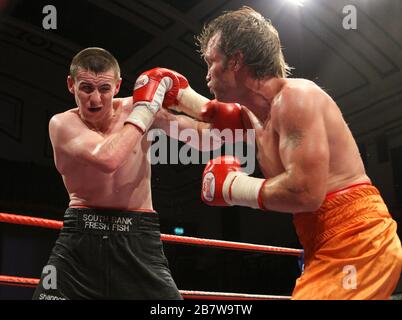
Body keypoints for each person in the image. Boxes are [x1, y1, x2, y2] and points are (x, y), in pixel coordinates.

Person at [167, 7, 402, 299]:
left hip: (359, 238)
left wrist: (232, 186)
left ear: (236, 61)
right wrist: (163, 108)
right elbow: (206, 131)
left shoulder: (296, 98)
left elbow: (305, 192)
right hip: (319, 241)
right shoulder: (252, 115)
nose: (207, 75)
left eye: (211, 62)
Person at [32, 48, 214, 300]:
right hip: (80, 239)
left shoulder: (137, 107)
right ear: (71, 85)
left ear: (117, 86)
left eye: (104, 89)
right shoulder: (62, 124)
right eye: (86, 88)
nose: (95, 99)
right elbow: (108, 159)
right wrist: (147, 111)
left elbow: (208, 140)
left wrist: (187, 98)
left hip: (138, 237)